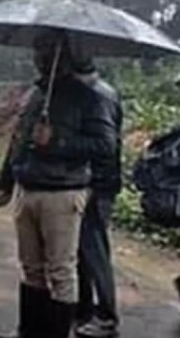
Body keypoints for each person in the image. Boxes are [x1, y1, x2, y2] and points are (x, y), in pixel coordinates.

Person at [0, 31, 118, 338]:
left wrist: (57, 140)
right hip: (28, 190)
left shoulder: (90, 97)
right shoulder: (35, 94)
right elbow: (18, 142)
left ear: (64, 55)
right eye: (37, 51)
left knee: (61, 271)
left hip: (63, 194)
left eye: (46, 51)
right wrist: (5, 184)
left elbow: (105, 145)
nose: (39, 57)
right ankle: (28, 332)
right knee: (31, 269)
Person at [74, 58, 123, 338]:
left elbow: (106, 146)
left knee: (95, 250)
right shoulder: (100, 92)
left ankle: (106, 315)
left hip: (99, 185)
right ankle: (84, 308)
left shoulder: (98, 96)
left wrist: (94, 183)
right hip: (94, 183)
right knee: (82, 249)